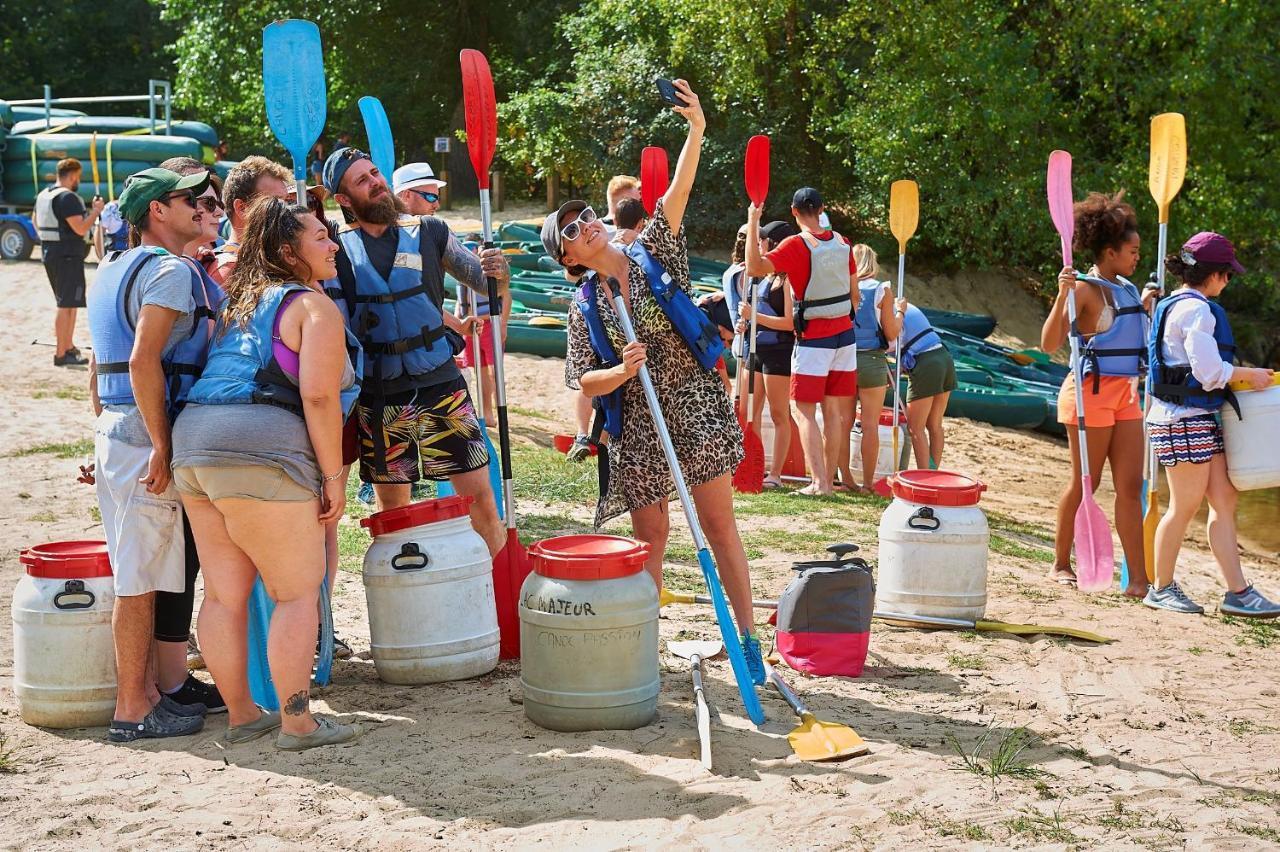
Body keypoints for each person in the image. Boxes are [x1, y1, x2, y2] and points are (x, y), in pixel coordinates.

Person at [548, 79, 766, 682]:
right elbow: (582, 380)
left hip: (693, 403)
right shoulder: (582, 305)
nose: (585, 226)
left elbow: (681, 188)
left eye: (585, 216)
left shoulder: (654, 249)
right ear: (567, 259)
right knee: (651, 538)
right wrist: (619, 370)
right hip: (638, 424)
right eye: (570, 231)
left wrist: (696, 129)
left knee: (719, 525)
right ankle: (643, 646)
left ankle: (748, 641)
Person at [173, 196, 363, 748]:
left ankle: (240, 717)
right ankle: (298, 723)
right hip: (262, 449)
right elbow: (321, 399)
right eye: (321, 237)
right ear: (287, 251)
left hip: (196, 444)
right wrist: (332, 477)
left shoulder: (242, 301)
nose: (332, 244)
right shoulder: (313, 308)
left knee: (225, 594)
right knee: (297, 592)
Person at [86, 167, 221, 742]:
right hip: (144, 435)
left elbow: (99, 365)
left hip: (119, 429)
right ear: (157, 211)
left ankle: (147, 695)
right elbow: (144, 361)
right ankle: (133, 708)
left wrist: (103, 430)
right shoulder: (168, 270)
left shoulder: (112, 267)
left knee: (144, 570)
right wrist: (162, 443)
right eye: (187, 199)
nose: (199, 206)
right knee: (138, 578)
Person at [322, 146, 511, 555]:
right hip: (380, 395)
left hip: (442, 385)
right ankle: (408, 595)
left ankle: (496, 599)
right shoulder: (333, 250)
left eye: (375, 173)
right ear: (343, 199)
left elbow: (486, 286)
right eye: (362, 180)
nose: (375, 182)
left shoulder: (430, 231)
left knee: (480, 503)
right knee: (394, 511)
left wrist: (500, 271)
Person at [1144, 232, 1279, 616]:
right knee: (1184, 506)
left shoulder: (1174, 304)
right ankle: (1161, 587)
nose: (1228, 281)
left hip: (1193, 418)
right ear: (1216, 275)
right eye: (1228, 275)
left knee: (1224, 500)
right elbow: (1207, 372)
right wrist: (1248, 375)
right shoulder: (1197, 311)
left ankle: (1238, 592)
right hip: (1181, 420)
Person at [1041, 192, 1151, 593]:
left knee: (1130, 486)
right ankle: (1059, 563)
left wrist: (1147, 307)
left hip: (1126, 394)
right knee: (1085, 481)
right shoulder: (1083, 289)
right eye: (1132, 251)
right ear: (1110, 251)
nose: (1137, 257)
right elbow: (1048, 342)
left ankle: (1139, 580)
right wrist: (1061, 295)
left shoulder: (1126, 288)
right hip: (1089, 394)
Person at [744, 187, 859, 496]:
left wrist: (753, 220)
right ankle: (828, 483)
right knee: (832, 411)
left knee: (803, 411)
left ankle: (820, 483)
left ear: (794, 213)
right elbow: (855, 297)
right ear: (821, 209)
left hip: (814, 340)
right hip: (845, 339)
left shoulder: (796, 245)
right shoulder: (843, 243)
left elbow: (755, 268)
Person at [736, 221, 798, 489]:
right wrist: (745, 324)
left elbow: (789, 323)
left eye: (762, 241)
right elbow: (755, 317)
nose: (759, 246)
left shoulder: (786, 280)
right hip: (755, 348)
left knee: (778, 414)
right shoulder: (762, 277)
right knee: (748, 411)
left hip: (778, 352)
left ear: (774, 244)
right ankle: (753, 464)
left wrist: (755, 317)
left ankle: (776, 474)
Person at [846, 244, 903, 492]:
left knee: (842, 422)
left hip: (843, 358)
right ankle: (867, 484)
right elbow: (891, 332)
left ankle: (843, 478)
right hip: (871, 361)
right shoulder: (882, 290)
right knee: (869, 425)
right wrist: (900, 312)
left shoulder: (844, 287)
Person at [35, 157, 102, 365]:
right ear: (72, 176)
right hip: (66, 256)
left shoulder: (44, 195)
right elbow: (81, 228)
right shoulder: (67, 198)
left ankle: (68, 346)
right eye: (78, 177)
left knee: (70, 303)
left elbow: (35, 221)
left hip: (51, 252)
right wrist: (96, 211)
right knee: (65, 305)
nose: (78, 181)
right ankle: (61, 353)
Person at [896, 301, 956, 470]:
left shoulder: (890, 312)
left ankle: (924, 477)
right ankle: (933, 473)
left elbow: (891, 342)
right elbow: (913, 341)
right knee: (935, 425)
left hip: (927, 363)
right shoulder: (904, 305)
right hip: (944, 356)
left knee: (915, 428)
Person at [213, 156, 292, 284]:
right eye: (275, 202)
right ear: (242, 208)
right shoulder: (229, 269)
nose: (286, 210)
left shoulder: (272, 258)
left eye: (287, 201)